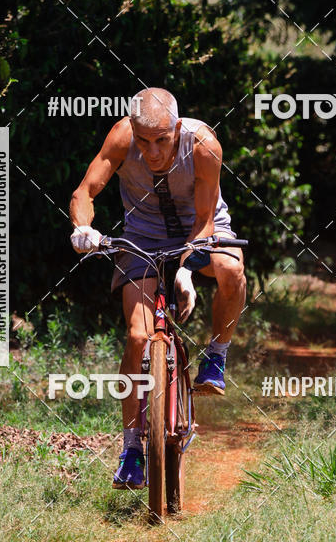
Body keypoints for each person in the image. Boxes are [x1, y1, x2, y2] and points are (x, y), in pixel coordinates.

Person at [69, 88, 246, 489]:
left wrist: (187, 269)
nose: (151, 152)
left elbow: (204, 219)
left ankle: (216, 354)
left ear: (177, 128)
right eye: (143, 140)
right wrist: (83, 228)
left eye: (162, 141)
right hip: (142, 237)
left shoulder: (203, 145)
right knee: (136, 337)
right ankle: (132, 448)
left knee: (232, 271)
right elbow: (84, 192)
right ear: (132, 128)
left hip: (200, 230)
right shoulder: (120, 136)